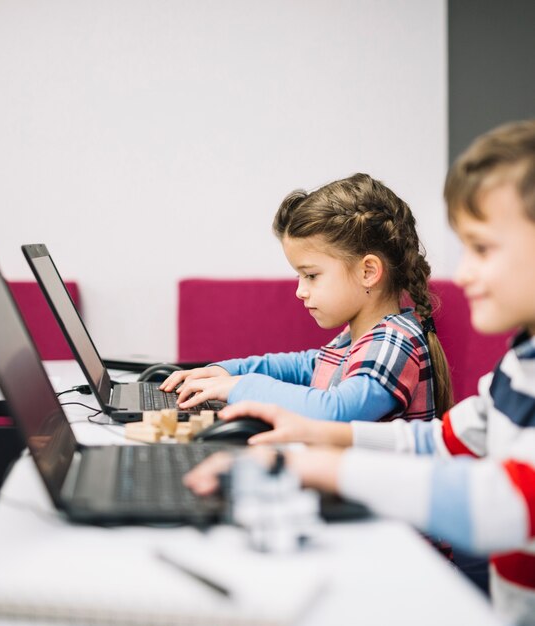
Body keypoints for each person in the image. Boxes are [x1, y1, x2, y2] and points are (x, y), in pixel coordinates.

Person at [185, 120, 535, 626]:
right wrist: (311, 431)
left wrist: (310, 465)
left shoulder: (394, 336)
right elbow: (438, 442)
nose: (462, 274)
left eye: (482, 249)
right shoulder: (519, 364)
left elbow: (501, 503)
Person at [161, 173, 453, 423]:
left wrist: (240, 386)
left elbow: (336, 411)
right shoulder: (359, 337)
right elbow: (305, 366)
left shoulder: (394, 343)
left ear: (368, 272)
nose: (300, 291)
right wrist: (224, 370)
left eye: (311, 275)